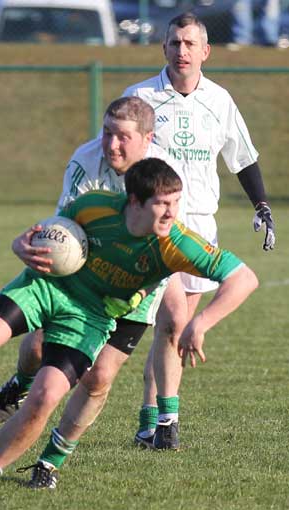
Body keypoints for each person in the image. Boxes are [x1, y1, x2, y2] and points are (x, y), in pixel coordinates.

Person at [0, 158, 258, 499]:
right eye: (163, 205)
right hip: (48, 286)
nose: (173, 213)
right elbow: (47, 235)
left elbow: (243, 278)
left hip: (91, 317)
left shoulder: (175, 242)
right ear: (133, 202)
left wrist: (201, 322)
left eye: (175, 202)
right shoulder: (95, 205)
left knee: (47, 395)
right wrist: (22, 246)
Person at [0, 96, 188, 456]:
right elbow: (66, 230)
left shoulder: (165, 177)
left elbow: (163, 246)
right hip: (83, 274)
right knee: (35, 348)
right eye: (107, 133)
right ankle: (21, 382)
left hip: (133, 285)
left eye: (123, 137)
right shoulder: (85, 158)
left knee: (99, 377)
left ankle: (51, 460)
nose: (111, 145)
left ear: (148, 139)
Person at [121, 11, 275, 449]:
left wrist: (261, 204)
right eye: (174, 43)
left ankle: (149, 421)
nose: (182, 51)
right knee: (171, 321)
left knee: (171, 328)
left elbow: (242, 157)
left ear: (205, 51)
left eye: (190, 44)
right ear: (164, 48)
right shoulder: (140, 99)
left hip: (201, 228)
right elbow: (117, 157)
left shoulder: (220, 101)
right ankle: (168, 422)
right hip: (156, 229)